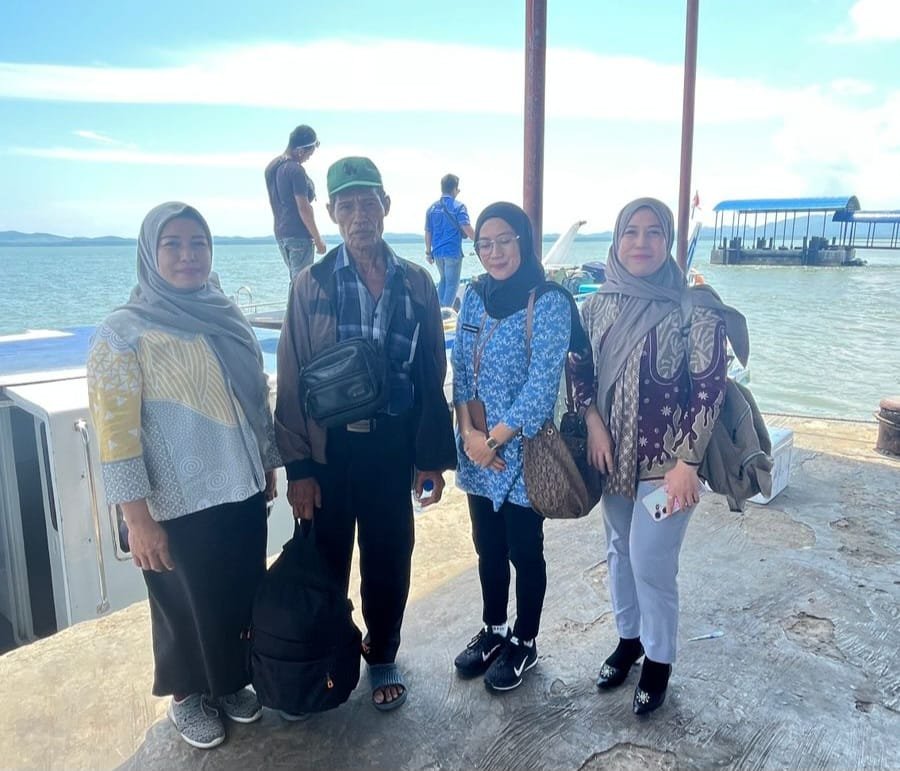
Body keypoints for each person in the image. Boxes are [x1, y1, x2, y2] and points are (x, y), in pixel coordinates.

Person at [86, 202, 281, 749]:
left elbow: (253, 395)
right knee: (183, 603)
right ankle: (187, 695)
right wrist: (137, 519)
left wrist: (265, 462)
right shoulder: (122, 333)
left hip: (239, 487)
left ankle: (231, 682)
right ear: (150, 252)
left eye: (198, 243)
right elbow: (115, 435)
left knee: (238, 591)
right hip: (173, 500)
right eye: (172, 244)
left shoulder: (225, 314)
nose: (187, 255)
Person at [275, 156, 456, 711]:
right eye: (347, 205)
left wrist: (429, 458)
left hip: (391, 446)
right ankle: (330, 659)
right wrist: (299, 469)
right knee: (326, 561)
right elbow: (291, 375)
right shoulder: (311, 283)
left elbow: (431, 371)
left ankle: (381, 654)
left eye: (368, 203)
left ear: (386, 207)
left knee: (389, 557)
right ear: (331, 213)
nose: (359, 216)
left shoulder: (416, 281)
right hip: (329, 450)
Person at [569, 197, 746, 715]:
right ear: (616, 240)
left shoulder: (693, 307)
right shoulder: (596, 306)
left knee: (651, 562)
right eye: (631, 232)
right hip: (611, 458)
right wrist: (593, 424)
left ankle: (659, 660)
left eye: (653, 232)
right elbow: (578, 370)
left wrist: (688, 464)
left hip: (668, 468)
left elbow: (709, 387)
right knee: (619, 552)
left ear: (668, 241)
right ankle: (629, 640)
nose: (641, 243)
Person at [451, 202, 587, 692]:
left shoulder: (548, 301)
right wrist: (470, 434)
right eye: (484, 244)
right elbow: (461, 369)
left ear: (524, 242)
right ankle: (493, 629)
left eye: (504, 241)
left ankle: (525, 640)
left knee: (524, 550)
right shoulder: (473, 296)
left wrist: (493, 441)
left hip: (522, 450)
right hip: (476, 448)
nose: (494, 252)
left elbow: (541, 385)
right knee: (486, 545)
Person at [265, 124, 327, 280]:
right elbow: (303, 208)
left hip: (281, 234)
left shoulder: (272, 167)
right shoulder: (295, 170)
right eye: (309, 154)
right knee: (302, 282)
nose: (308, 157)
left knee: (295, 280)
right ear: (300, 151)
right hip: (298, 235)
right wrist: (318, 239)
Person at [424, 173, 475, 308]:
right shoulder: (458, 207)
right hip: (452, 251)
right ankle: (444, 314)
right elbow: (466, 227)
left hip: (437, 252)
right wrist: (480, 240)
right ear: (455, 189)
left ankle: (436, 311)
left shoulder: (432, 208)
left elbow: (428, 232)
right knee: (452, 285)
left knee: (443, 281)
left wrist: (428, 252)